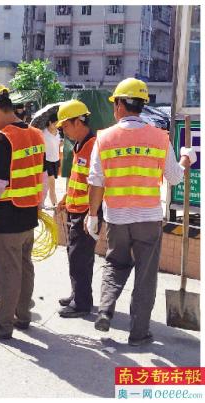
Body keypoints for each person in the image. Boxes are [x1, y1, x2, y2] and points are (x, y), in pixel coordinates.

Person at [86, 78, 196, 346]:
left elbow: (95, 181)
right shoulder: (159, 138)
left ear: (121, 105)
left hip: (116, 218)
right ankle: (138, 334)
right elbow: (174, 178)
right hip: (148, 219)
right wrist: (186, 158)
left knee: (114, 264)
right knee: (145, 276)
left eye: (115, 103)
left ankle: (105, 310)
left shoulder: (104, 138)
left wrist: (92, 215)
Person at [0, 81, 45, 340]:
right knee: (24, 268)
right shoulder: (35, 133)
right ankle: (22, 316)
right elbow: (43, 176)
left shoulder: (5, 138)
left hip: (7, 218)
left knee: (5, 273)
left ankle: (1, 325)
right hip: (29, 216)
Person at [55, 100, 103, 318]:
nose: (63, 131)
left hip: (86, 213)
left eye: (65, 126)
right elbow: (78, 179)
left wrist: (91, 215)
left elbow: (96, 183)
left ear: (78, 121)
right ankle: (78, 294)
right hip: (76, 209)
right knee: (75, 256)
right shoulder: (79, 145)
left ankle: (82, 304)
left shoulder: (93, 146)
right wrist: (66, 197)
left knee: (80, 258)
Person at [42, 114, 62, 208]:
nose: (57, 125)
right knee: (51, 183)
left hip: (56, 160)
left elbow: (57, 144)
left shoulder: (58, 133)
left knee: (50, 183)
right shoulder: (43, 133)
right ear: (50, 123)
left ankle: (44, 202)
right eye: (55, 123)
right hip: (47, 160)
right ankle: (55, 204)